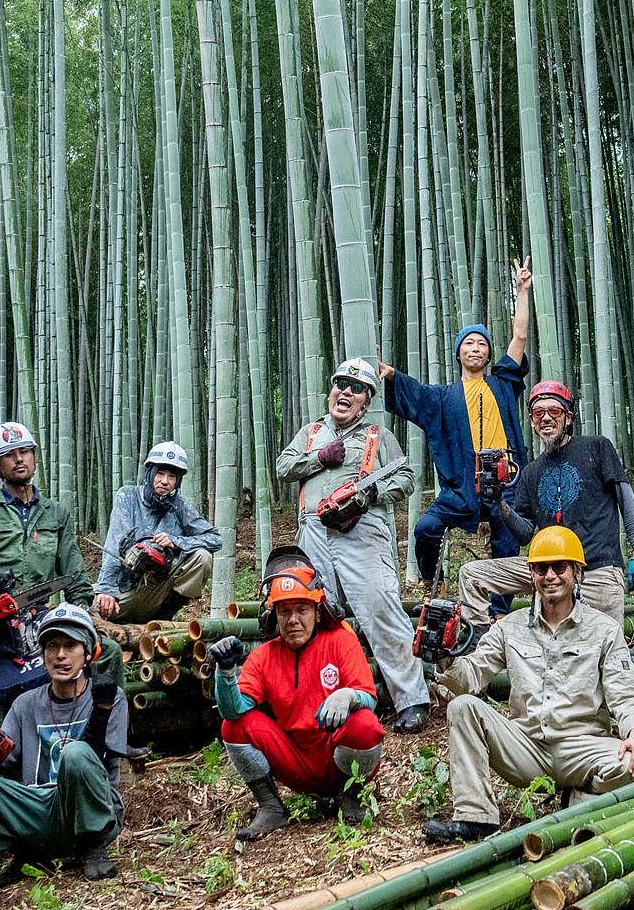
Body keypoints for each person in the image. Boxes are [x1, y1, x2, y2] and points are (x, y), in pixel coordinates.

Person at [420, 526, 634, 844]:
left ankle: (579, 800)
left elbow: (624, 692)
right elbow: (470, 677)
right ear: (531, 575)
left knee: (633, 764)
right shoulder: (509, 628)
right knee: (463, 707)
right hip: (526, 747)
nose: (551, 576)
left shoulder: (604, 630)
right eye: (541, 569)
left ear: (577, 573)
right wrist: (445, 654)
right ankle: (476, 818)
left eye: (560, 567)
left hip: (582, 747)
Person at [274, 358, 428, 733]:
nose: (345, 391)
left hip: (362, 531)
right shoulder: (311, 433)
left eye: (355, 388)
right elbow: (283, 467)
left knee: (380, 608)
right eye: (340, 383)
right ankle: (316, 699)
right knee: (314, 612)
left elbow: (406, 477)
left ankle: (411, 699)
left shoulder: (378, 435)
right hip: (313, 531)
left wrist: (372, 493)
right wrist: (320, 458)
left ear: (366, 399)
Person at [379, 258, 534, 605]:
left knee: (507, 543)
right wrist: (390, 374)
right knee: (425, 529)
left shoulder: (503, 383)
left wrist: (523, 291)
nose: (476, 348)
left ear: (489, 353)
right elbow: (413, 393)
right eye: (469, 344)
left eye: (481, 344)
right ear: (458, 353)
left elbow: (520, 335)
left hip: (505, 480)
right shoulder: (443, 397)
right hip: (461, 486)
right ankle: (433, 581)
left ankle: (498, 610)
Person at [210, 546, 387, 840]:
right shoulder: (263, 656)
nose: (293, 619)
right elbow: (234, 710)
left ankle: (351, 794)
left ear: (318, 612)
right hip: (295, 761)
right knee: (235, 726)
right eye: (285, 611)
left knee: (365, 725)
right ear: (274, 617)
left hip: (337, 754)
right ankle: (270, 806)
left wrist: (348, 696)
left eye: (302, 609)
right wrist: (226, 674)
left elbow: (368, 695)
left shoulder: (341, 641)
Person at [0, 603, 128, 891]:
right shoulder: (25, 704)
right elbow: (4, 759)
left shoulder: (109, 696)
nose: (60, 655)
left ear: (88, 653)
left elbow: (100, 757)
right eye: (52, 646)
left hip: (95, 809)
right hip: (41, 807)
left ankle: (93, 847)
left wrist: (102, 709)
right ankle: (26, 854)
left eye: (70, 646)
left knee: (76, 753)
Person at [0, 421, 113, 719]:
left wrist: (84, 614)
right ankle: (4, 756)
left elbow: (73, 573)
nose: (19, 459)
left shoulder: (56, 513)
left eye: (25, 451)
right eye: (10, 454)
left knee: (105, 653)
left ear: (34, 456)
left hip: (39, 615)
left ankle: (102, 735)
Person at [457, 380, 634, 632]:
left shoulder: (597, 447)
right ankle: (478, 641)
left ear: (568, 418)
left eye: (554, 411)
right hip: (546, 568)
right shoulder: (531, 472)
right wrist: (499, 503)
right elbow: (525, 533)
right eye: (539, 413)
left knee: (606, 651)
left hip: (595, 570)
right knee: (472, 574)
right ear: (532, 421)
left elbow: (626, 500)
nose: (546, 418)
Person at [92, 442, 222, 625]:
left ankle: (164, 617)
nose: (165, 481)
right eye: (160, 473)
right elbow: (114, 543)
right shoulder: (128, 496)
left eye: (171, 476)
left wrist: (175, 542)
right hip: (124, 590)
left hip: (157, 592)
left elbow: (215, 539)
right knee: (88, 615)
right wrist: (106, 589)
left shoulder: (179, 506)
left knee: (203, 557)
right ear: (150, 473)